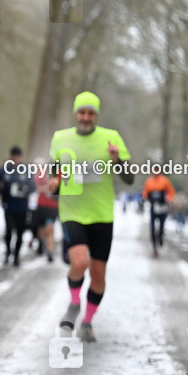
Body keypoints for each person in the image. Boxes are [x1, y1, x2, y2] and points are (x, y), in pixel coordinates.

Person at [48, 91, 134, 342]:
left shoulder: (111, 138)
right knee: (79, 263)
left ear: (96, 115)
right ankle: (74, 303)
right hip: (72, 212)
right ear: (76, 114)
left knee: (98, 276)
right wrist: (54, 186)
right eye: (82, 112)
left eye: (91, 113)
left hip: (102, 215)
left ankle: (87, 322)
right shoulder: (60, 138)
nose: (86, 117)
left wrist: (117, 160)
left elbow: (129, 178)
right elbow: (55, 178)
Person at [0, 147, 35, 267]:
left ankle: (16, 256)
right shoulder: (5, 169)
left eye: (17, 157)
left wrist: (25, 190)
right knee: (9, 230)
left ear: (21, 157)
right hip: (9, 206)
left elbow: (33, 186)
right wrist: (1, 191)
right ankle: (7, 252)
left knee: (20, 232)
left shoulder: (26, 170)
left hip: (22, 207)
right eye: (14, 156)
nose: (15, 159)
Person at [142, 166, 176, 258]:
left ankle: (160, 236)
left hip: (162, 207)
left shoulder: (165, 180)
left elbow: (171, 192)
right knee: (152, 228)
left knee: (161, 226)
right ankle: (154, 248)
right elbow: (145, 193)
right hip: (153, 208)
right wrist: (148, 199)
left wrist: (166, 199)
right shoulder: (149, 181)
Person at [32, 158, 58, 263]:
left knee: (50, 229)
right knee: (41, 230)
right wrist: (47, 187)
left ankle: (50, 251)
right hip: (41, 206)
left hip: (52, 207)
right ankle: (41, 244)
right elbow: (36, 188)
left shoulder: (58, 175)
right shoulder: (39, 175)